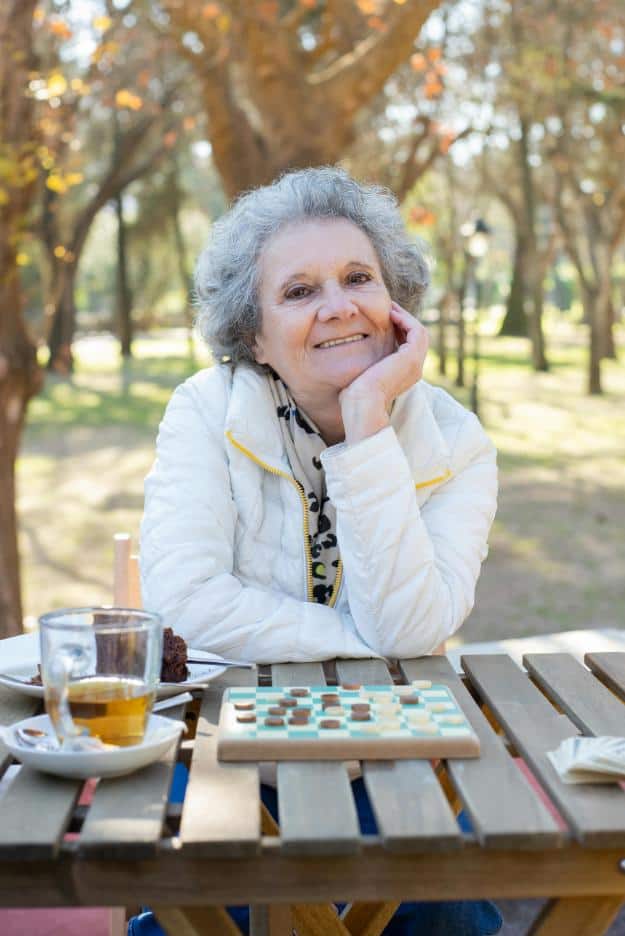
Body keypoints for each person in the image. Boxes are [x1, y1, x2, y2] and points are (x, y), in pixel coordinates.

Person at [135, 167, 501, 936]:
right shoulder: (204, 411)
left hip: (391, 753)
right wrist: (369, 644)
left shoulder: (456, 442)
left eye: (357, 278)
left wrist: (367, 421)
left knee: (446, 917)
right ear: (252, 336)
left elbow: (409, 629)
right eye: (299, 292)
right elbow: (187, 600)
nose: (338, 306)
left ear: (395, 301)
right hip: (222, 750)